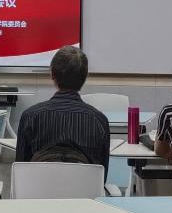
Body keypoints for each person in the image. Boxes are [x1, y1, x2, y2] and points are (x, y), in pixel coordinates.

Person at [16, 46, 111, 174]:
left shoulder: (30, 117)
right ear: (85, 77)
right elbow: (101, 176)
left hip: (39, 187)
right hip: (83, 187)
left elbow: (20, 171)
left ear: (52, 75)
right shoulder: (99, 121)